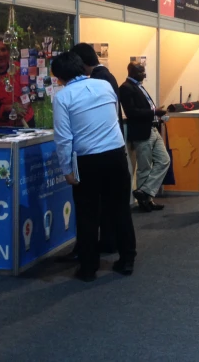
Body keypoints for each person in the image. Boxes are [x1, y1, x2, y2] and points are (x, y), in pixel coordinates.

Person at [51, 52, 136, 282]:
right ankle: (127, 260)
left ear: (59, 77)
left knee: (88, 214)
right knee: (120, 210)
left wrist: (67, 170)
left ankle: (88, 268)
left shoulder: (62, 97)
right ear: (82, 67)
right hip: (116, 155)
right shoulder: (105, 86)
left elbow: (63, 138)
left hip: (87, 160)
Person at [67, 43, 120, 256]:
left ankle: (92, 251)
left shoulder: (98, 80)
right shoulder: (106, 77)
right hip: (112, 149)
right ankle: (108, 244)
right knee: (108, 203)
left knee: (92, 206)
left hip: (95, 152)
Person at [119, 63, 170, 212]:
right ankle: (146, 201)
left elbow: (145, 108)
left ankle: (145, 191)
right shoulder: (126, 88)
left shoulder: (139, 86)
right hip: (141, 132)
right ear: (132, 72)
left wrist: (155, 114)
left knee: (164, 160)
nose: (144, 74)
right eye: (141, 72)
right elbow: (132, 112)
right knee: (144, 168)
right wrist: (154, 112)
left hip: (153, 129)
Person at [0, 35, 35, 128]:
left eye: (4, 49)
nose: (1, 54)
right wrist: (8, 108)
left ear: (8, 52)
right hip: (1, 128)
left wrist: (23, 106)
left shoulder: (19, 68)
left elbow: (31, 88)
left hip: (26, 123)